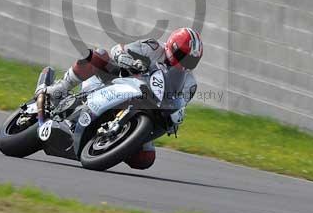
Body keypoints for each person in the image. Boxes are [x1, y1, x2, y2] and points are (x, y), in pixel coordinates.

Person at [37, 28, 202, 170]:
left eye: (191, 59)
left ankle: (112, 144)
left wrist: (175, 118)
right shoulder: (152, 47)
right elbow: (118, 49)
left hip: (147, 106)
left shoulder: (190, 83)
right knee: (98, 55)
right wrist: (125, 58)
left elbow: (179, 104)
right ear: (171, 45)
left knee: (145, 159)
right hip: (116, 81)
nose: (185, 61)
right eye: (182, 54)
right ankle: (59, 89)